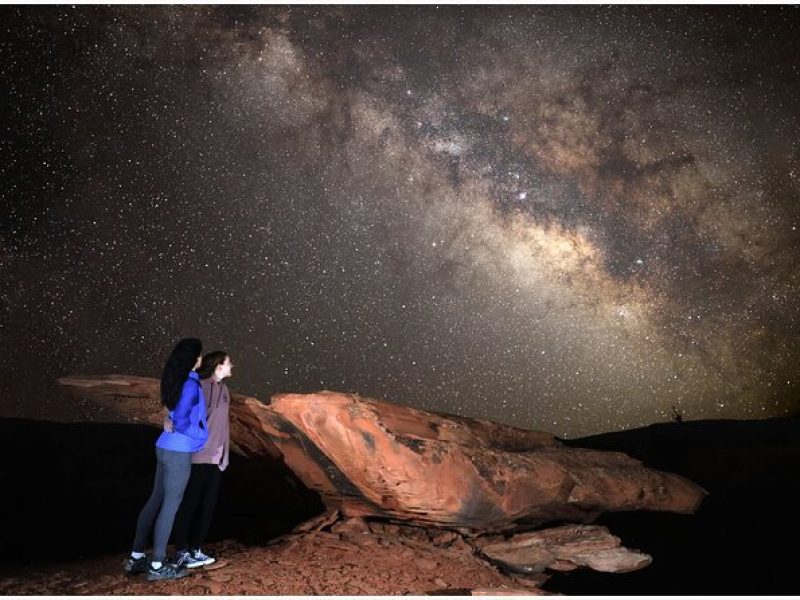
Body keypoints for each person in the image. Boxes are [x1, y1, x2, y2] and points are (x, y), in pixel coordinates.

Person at [123, 338, 208, 581]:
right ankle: (158, 565)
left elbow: (172, 416)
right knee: (170, 507)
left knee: (154, 501)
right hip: (178, 452)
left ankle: (136, 558)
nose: (201, 359)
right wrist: (200, 435)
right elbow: (181, 421)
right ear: (194, 359)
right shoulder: (191, 385)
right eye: (199, 355)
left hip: (163, 446)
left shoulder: (175, 379)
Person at [170, 351, 234, 569]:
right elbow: (182, 417)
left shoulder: (225, 390)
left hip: (216, 459)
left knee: (207, 506)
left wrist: (224, 454)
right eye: (228, 362)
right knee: (190, 505)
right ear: (218, 366)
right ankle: (180, 551)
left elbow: (223, 427)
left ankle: (196, 549)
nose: (232, 365)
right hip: (196, 457)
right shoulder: (200, 387)